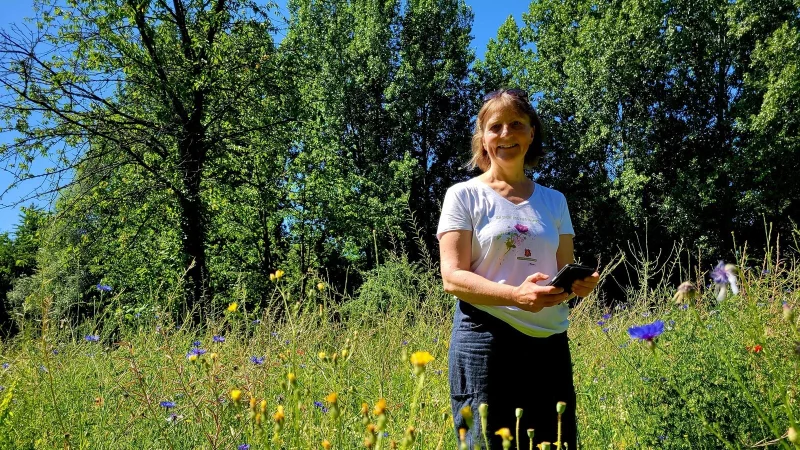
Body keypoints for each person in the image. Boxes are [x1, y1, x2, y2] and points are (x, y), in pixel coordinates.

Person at [437, 88, 599, 449]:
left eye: (516, 124)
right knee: (485, 443)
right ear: (482, 137)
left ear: (531, 133)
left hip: (549, 343)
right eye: (495, 127)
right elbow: (452, 277)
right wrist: (515, 295)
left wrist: (579, 285)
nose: (506, 134)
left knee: (554, 443)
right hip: (485, 339)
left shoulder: (554, 201)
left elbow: (563, 268)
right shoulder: (463, 196)